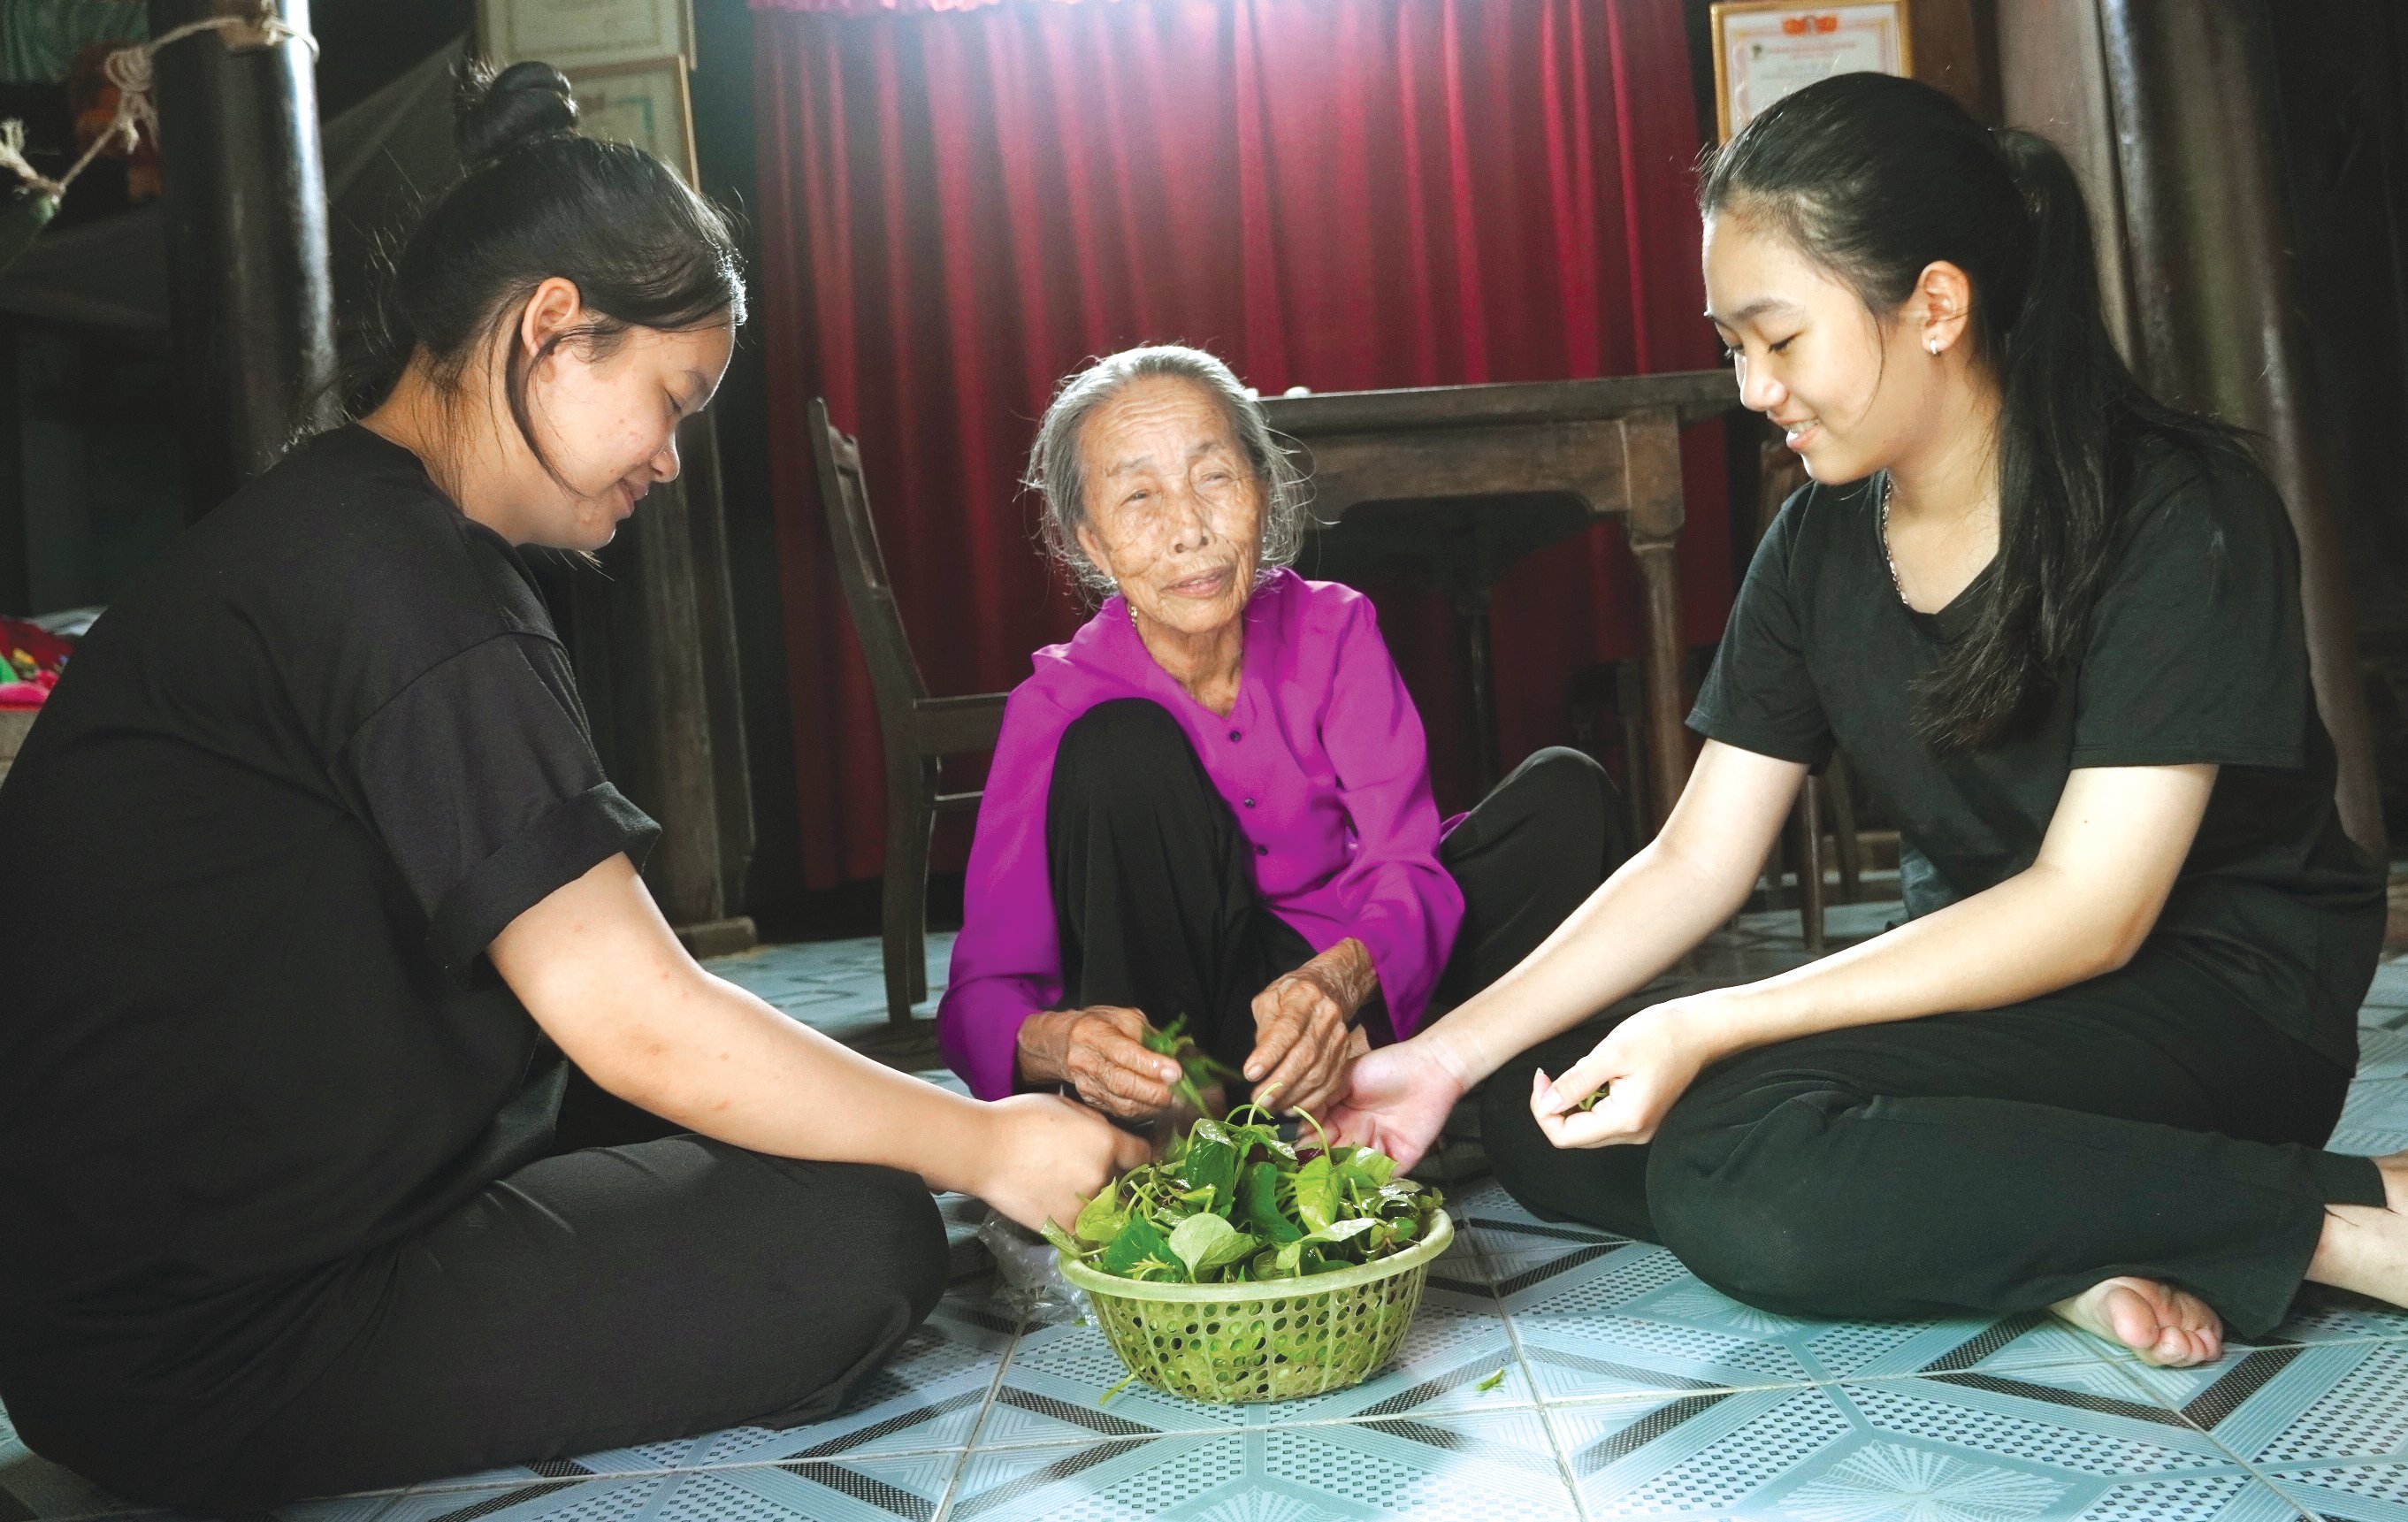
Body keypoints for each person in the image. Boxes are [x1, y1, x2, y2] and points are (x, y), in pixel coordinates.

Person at [0, 62, 1143, 1513]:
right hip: (215, 1337)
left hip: (130, 1306)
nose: (670, 458)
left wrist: (951, 1124)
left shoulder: (357, 530)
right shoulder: (404, 584)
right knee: (854, 1238)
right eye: (668, 400)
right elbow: (635, 1022)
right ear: (552, 327)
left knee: (797, 1130)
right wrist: (987, 1145)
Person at [1327, 72, 2406, 1369]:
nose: (1748, 387)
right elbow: (1693, 856)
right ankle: (2064, 1238)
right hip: (1976, 990)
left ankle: (2338, 1221)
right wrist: (1438, 1058)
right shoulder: (1817, 541)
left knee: (1744, 1163)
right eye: (1732, 343)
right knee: (1538, 1102)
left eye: (1777, 340)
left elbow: (2089, 907)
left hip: (2211, 998)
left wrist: (1719, 1019)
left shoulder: (2177, 509)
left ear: (1934, 305)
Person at [938, 345, 1625, 1126]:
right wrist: (1061, 1042)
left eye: (1214, 478)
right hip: (1184, 1044)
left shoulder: (1335, 627)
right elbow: (980, 1000)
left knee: (1566, 795)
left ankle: (1382, 1068)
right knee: (1117, 746)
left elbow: (1404, 862)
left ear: (1264, 491)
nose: (1189, 530)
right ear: (1091, 542)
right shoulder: (1058, 704)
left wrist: (1336, 983)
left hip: (1356, 995)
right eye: (1139, 497)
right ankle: (1205, 1124)